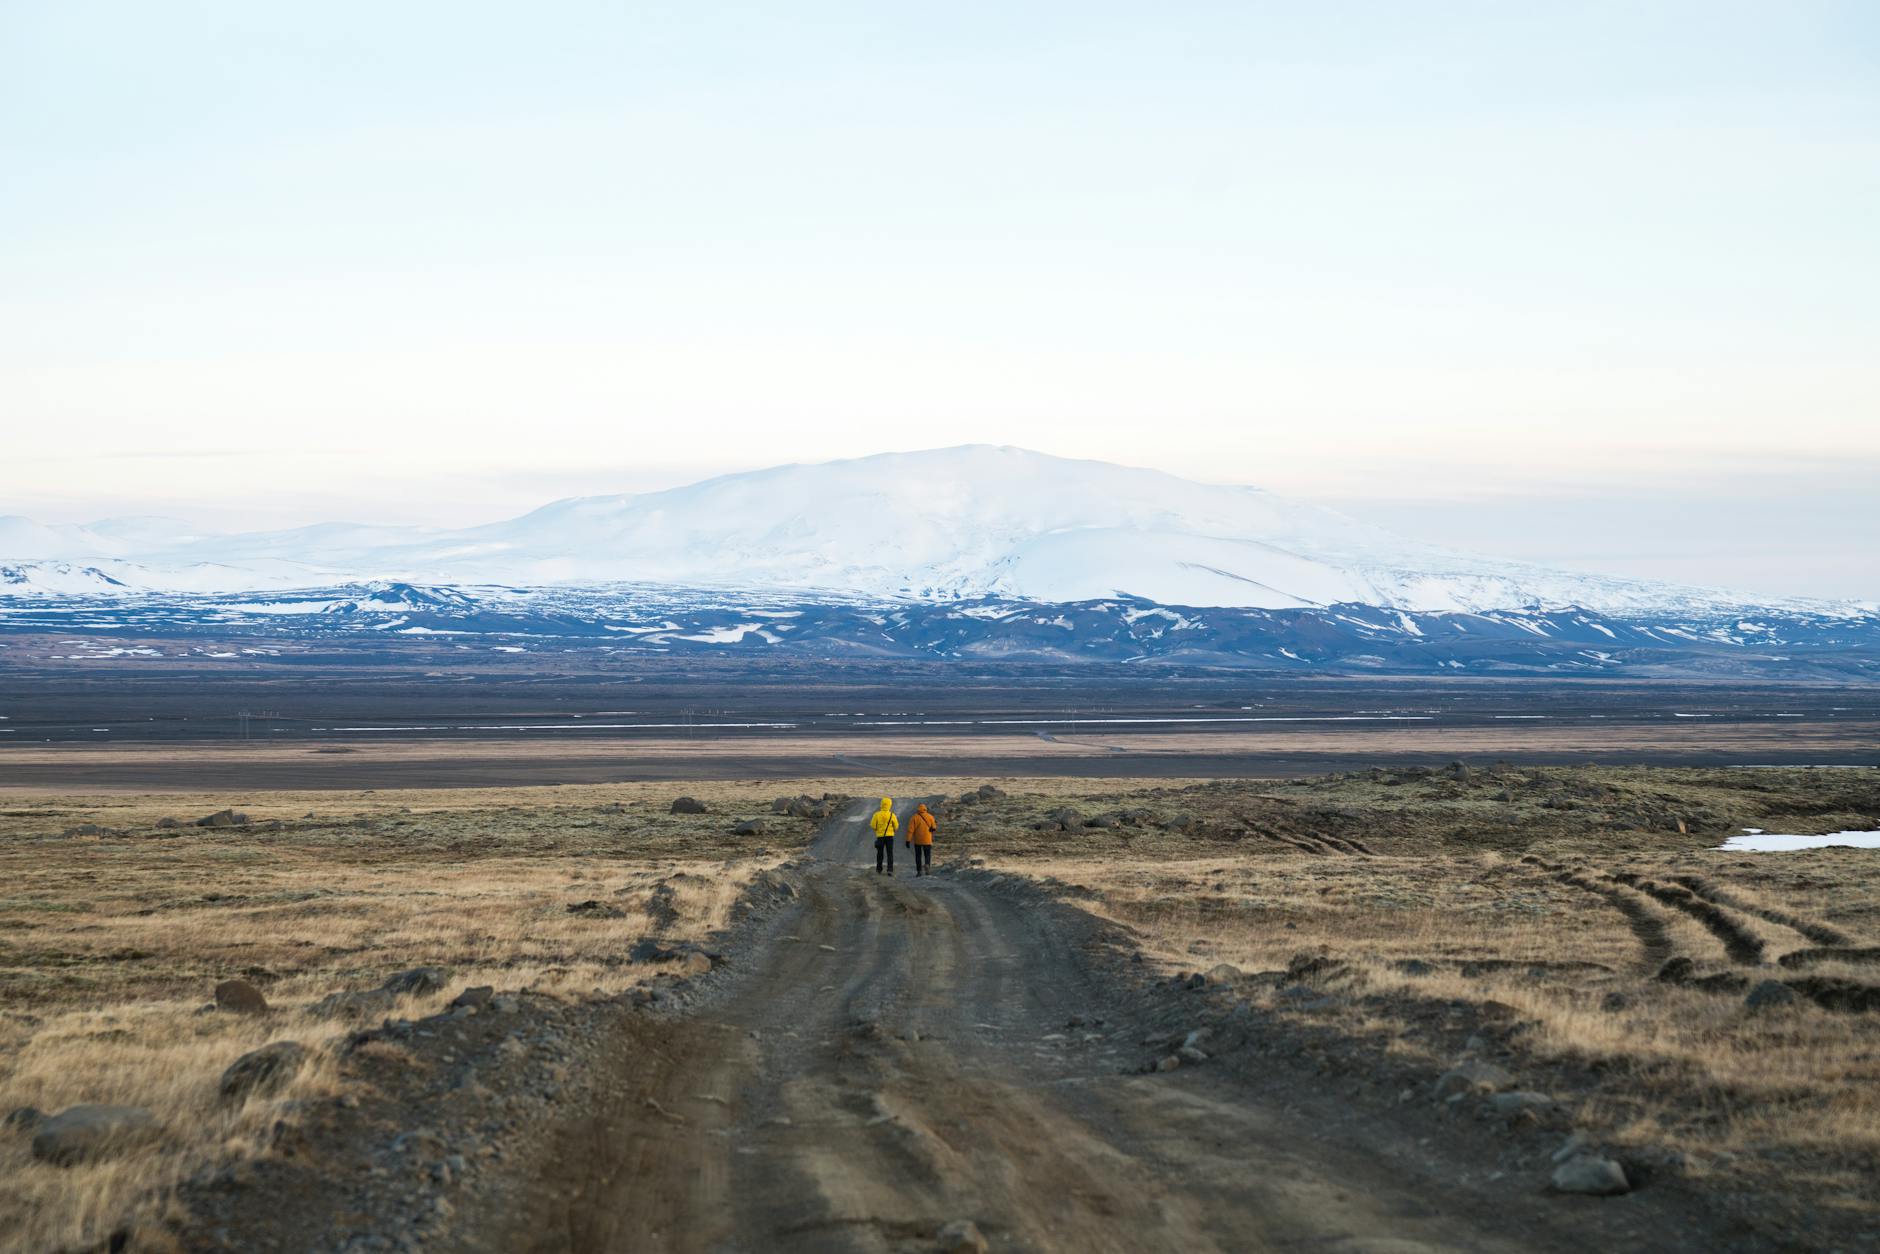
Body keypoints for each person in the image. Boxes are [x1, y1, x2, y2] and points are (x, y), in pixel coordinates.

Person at [905, 802, 936, 875]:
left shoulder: (914, 817)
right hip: (927, 840)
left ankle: (919, 871)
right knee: (927, 855)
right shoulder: (930, 816)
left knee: (918, 856)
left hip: (918, 841)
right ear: (925, 809)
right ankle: (927, 865)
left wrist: (908, 840)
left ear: (918, 809)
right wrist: (932, 829)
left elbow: (910, 830)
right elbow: (934, 827)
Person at [869, 796, 898, 875]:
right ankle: (890, 870)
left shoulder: (876, 815)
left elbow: (872, 825)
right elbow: (896, 826)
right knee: (890, 853)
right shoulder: (892, 815)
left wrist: (877, 830)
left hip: (880, 836)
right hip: (890, 837)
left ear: (881, 804)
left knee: (880, 853)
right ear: (890, 805)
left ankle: (879, 869)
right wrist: (892, 831)